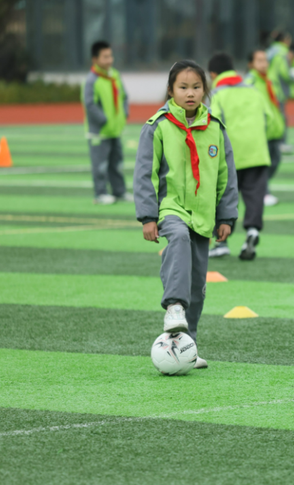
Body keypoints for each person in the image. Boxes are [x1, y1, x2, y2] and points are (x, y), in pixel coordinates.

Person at [133, 60, 238, 369]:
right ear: (170, 90)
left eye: (196, 87)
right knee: (177, 238)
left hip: (204, 216)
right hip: (171, 207)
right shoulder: (157, 126)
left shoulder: (216, 128)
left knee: (198, 283)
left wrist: (226, 218)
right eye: (183, 87)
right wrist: (148, 216)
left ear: (205, 91)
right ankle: (174, 307)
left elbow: (226, 177)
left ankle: (187, 344)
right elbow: (144, 174)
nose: (190, 94)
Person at [207, 53, 271, 260]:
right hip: (258, 153)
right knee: (254, 196)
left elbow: (212, 124)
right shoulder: (254, 90)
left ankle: (222, 242)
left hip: (230, 156)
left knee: (225, 198)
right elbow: (270, 120)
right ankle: (252, 231)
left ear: (213, 74)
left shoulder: (216, 94)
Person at [82, 40, 130, 205]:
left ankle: (119, 191)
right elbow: (89, 104)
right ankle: (100, 193)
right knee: (100, 165)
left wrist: (124, 113)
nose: (109, 60)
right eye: (105, 56)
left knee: (116, 164)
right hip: (99, 132)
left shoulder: (114, 75)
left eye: (110, 55)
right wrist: (104, 120)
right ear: (95, 59)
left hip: (115, 130)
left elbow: (124, 96)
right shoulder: (91, 80)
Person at [246, 49, 286, 208]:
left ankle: (260, 189)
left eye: (265, 60)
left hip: (273, 130)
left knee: (275, 160)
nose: (264, 64)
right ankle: (263, 192)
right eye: (259, 61)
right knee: (264, 164)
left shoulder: (268, 80)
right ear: (251, 64)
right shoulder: (250, 83)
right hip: (261, 131)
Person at [267, 31, 294, 153]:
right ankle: (281, 143)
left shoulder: (270, 51)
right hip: (277, 88)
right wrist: (293, 75)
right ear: (284, 40)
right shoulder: (282, 52)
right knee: (281, 116)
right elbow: (284, 72)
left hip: (268, 86)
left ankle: (273, 142)